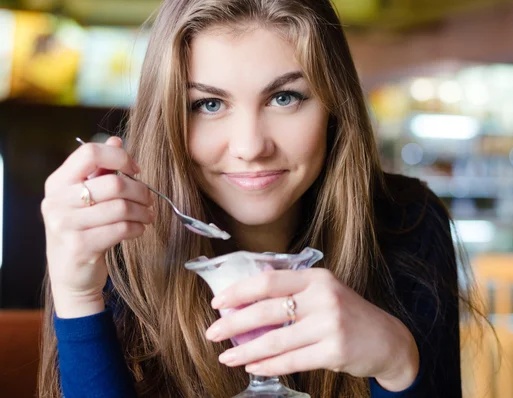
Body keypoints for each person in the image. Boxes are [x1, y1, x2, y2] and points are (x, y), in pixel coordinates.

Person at [39, 0, 475, 397]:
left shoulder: (406, 223)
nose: (250, 146)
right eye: (209, 105)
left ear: (334, 107)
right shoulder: (116, 243)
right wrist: (77, 297)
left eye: (284, 98)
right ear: (169, 116)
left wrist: (398, 363)